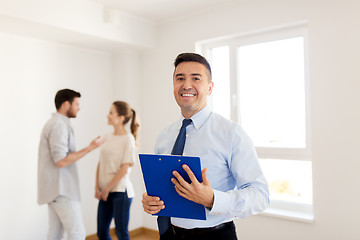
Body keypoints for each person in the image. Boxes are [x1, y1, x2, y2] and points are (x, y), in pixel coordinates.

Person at [142, 53, 269, 240]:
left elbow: (260, 196)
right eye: (180, 78)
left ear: (210, 87)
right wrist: (151, 201)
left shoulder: (231, 133)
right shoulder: (164, 136)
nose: (186, 85)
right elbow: (164, 188)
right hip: (170, 233)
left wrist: (212, 199)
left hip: (215, 235)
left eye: (196, 78)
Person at [38, 88, 103, 240]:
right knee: (77, 233)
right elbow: (60, 161)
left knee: (55, 233)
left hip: (54, 191)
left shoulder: (57, 123)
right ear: (66, 104)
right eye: (76, 104)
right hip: (61, 191)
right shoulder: (58, 125)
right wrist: (90, 148)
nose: (79, 108)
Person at [95, 101, 139, 240]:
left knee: (121, 233)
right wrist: (97, 187)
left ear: (120, 118)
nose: (107, 115)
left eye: (111, 113)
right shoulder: (107, 137)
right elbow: (100, 163)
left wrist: (107, 188)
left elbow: (124, 169)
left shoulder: (128, 139)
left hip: (120, 193)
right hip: (105, 191)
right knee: (101, 232)